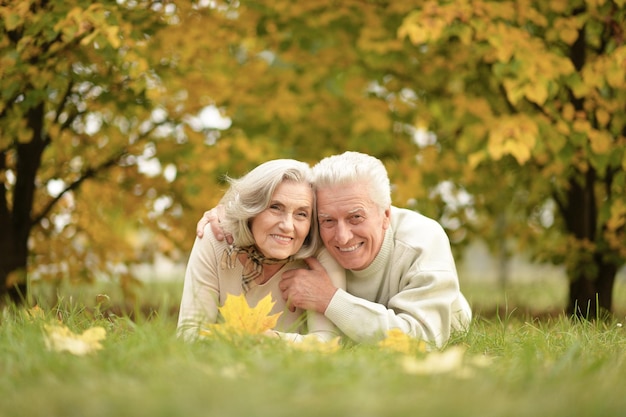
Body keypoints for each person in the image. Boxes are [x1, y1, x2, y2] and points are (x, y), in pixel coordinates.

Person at [198, 152, 472, 348]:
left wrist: (330, 299)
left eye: (356, 217)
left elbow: (423, 339)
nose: (342, 237)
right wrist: (226, 217)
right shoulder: (309, 235)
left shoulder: (423, 239)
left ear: (386, 215)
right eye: (328, 220)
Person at [178, 159, 345, 342]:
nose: (287, 226)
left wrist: (265, 340)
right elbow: (189, 333)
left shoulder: (321, 253)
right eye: (275, 207)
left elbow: (327, 343)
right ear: (251, 210)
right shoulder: (215, 238)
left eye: (301, 214)